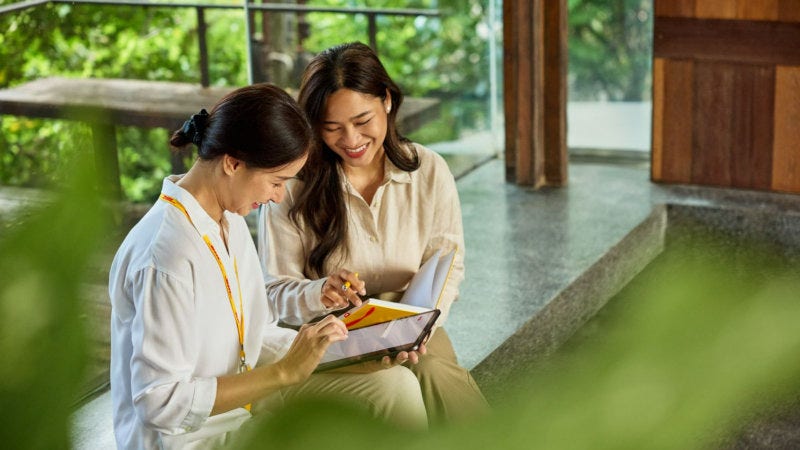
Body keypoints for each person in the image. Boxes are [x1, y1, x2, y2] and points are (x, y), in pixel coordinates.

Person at [108, 84, 427, 450]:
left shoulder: (230, 222)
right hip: (192, 439)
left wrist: (350, 354)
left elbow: (256, 335)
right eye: (276, 181)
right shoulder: (166, 256)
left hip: (245, 409)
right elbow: (160, 403)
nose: (278, 196)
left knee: (394, 386)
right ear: (232, 163)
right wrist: (283, 373)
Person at [257, 42, 489, 425]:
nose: (350, 140)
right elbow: (273, 292)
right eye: (332, 128)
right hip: (332, 333)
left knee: (433, 371)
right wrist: (321, 292)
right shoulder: (291, 186)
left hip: (412, 322)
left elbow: (449, 263)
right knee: (393, 385)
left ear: (386, 101)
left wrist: (423, 325)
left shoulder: (427, 170)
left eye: (362, 122)